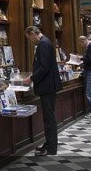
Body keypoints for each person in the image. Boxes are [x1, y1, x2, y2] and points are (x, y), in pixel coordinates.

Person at [23, 26, 62, 156]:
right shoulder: (45, 42)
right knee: (48, 117)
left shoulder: (43, 44)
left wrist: (32, 78)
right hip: (48, 86)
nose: (30, 41)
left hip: (47, 86)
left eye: (30, 38)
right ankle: (49, 144)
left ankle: (51, 147)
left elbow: (44, 66)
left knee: (49, 118)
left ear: (33, 33)